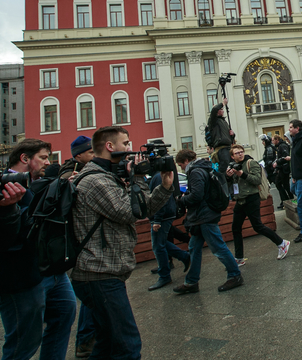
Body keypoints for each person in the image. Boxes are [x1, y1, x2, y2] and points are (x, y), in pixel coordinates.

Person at [71, 127, 174, 359]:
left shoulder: (107, 176)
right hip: (98, 272)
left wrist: (165, 187)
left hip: (103, 271)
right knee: (128, 346)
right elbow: (130, 212)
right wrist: (136, 177)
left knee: (106, 342)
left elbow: (142, 208)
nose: (130, 148)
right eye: (126, 143)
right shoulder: (96, 180)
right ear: (110, 146)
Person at [0, 139, 76, 360]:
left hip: (50, 270)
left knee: (64, 315)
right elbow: (7, 240)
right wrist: (9, 209)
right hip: (19, 278)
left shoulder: (35, 185)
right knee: (23, 343)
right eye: (43, 157)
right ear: (25, 158)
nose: (47, 162)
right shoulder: (6, 186)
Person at [174, 149, 243, 294]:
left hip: (204, 216)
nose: (181, 168)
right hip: (203, 215)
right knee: (194, 247)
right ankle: (191, 281)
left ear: (186, 161)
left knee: (217, 247)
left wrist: (181, 199)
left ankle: (235, 275)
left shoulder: (195, 171)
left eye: (180, 165)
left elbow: (197, 195)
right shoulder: (205, 167)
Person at [58, 136, 97, 358]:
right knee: (91, 298)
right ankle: (84, 341)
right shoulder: (69, 174)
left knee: (91, 299)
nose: (93, 156)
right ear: (78, 155)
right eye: (90, 152)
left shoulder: (81, 171)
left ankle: (86, 340)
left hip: (83, 246)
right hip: (79, 248)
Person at [226, 144, 290, 264]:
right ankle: (239, 258)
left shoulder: (251, 163)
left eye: (241, 151)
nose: (240, 154)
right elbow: (232, 184)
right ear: (232, 156)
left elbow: (257, 180)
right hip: (240, 200)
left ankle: (282, 243)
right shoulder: (232, 166)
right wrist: (228, 177)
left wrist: (242, 174)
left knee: (257, 226)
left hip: (251, 198)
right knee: (235, 228)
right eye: (237, 153)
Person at [147, 148, 191, 291]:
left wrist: (157, 220)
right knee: (161, 243)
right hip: (164, 214)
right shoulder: (160, 175)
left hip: (162, 215)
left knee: (158, 245)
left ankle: (165, 275)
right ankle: (184, 256)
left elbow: (161, 200)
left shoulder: (159, 176)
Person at [208, 98, 235, 172]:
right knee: (225, 166)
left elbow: (228, 137)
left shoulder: (224, 122)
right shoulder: (213, 121)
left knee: (233, 165)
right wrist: (223, 103)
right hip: (221, 148)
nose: (223, 111)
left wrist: (232, 135)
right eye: (221, 109)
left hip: (228, 147)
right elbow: (214, 110)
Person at [272, 134, 294, 209]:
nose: (272, 142)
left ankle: (288, 200)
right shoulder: (279, 146)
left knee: (283, 185)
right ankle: (287, 200)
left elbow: (286, 157)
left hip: (284, 169)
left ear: (276, 140)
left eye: (273, 140)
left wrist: (278, 162)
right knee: (282, 184)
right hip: (282, 168)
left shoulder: (282, 146)